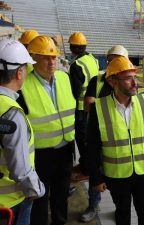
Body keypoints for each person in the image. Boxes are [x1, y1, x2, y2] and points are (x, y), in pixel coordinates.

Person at [87, 56, 144, 225]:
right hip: (117, 175)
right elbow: (92, 146)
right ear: (112, 81)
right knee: (122, 216)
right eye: (128, 78)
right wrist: (96, 178)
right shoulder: (99, 108)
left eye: (134, 77)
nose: (134, 82)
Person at [17, 35, 76, 225]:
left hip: (66, 150)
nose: (52, 62)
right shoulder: (23, 86)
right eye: (45, 58)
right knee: (39, 199)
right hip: (40, 155)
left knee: (61, 195)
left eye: (54, 57)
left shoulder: (65, 78)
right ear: (33, 59)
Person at [78, 45, 128, 223]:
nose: (112, 62)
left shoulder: (128, 84)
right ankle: (93, 205)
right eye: (110, 59)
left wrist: (101, 107)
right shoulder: (97, 81)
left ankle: (120, 209)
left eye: (117, 59)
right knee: (96, 174)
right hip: (98, 138)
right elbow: (88, 105)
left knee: (120, 179)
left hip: (120, 140)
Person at [0, 39, 45, 225]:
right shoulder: (12, 113)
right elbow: (21, 171)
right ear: (19, 72)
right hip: (10, 205)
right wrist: (37, 190)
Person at [68, 31, 99, 182]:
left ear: (72, 48)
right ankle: (83, 165)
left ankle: (87, 170)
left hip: (81, 108)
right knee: (88, 138)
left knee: (82, 139)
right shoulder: (92, 58)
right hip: (92, 104)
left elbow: (75, 92)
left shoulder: (76, 65)